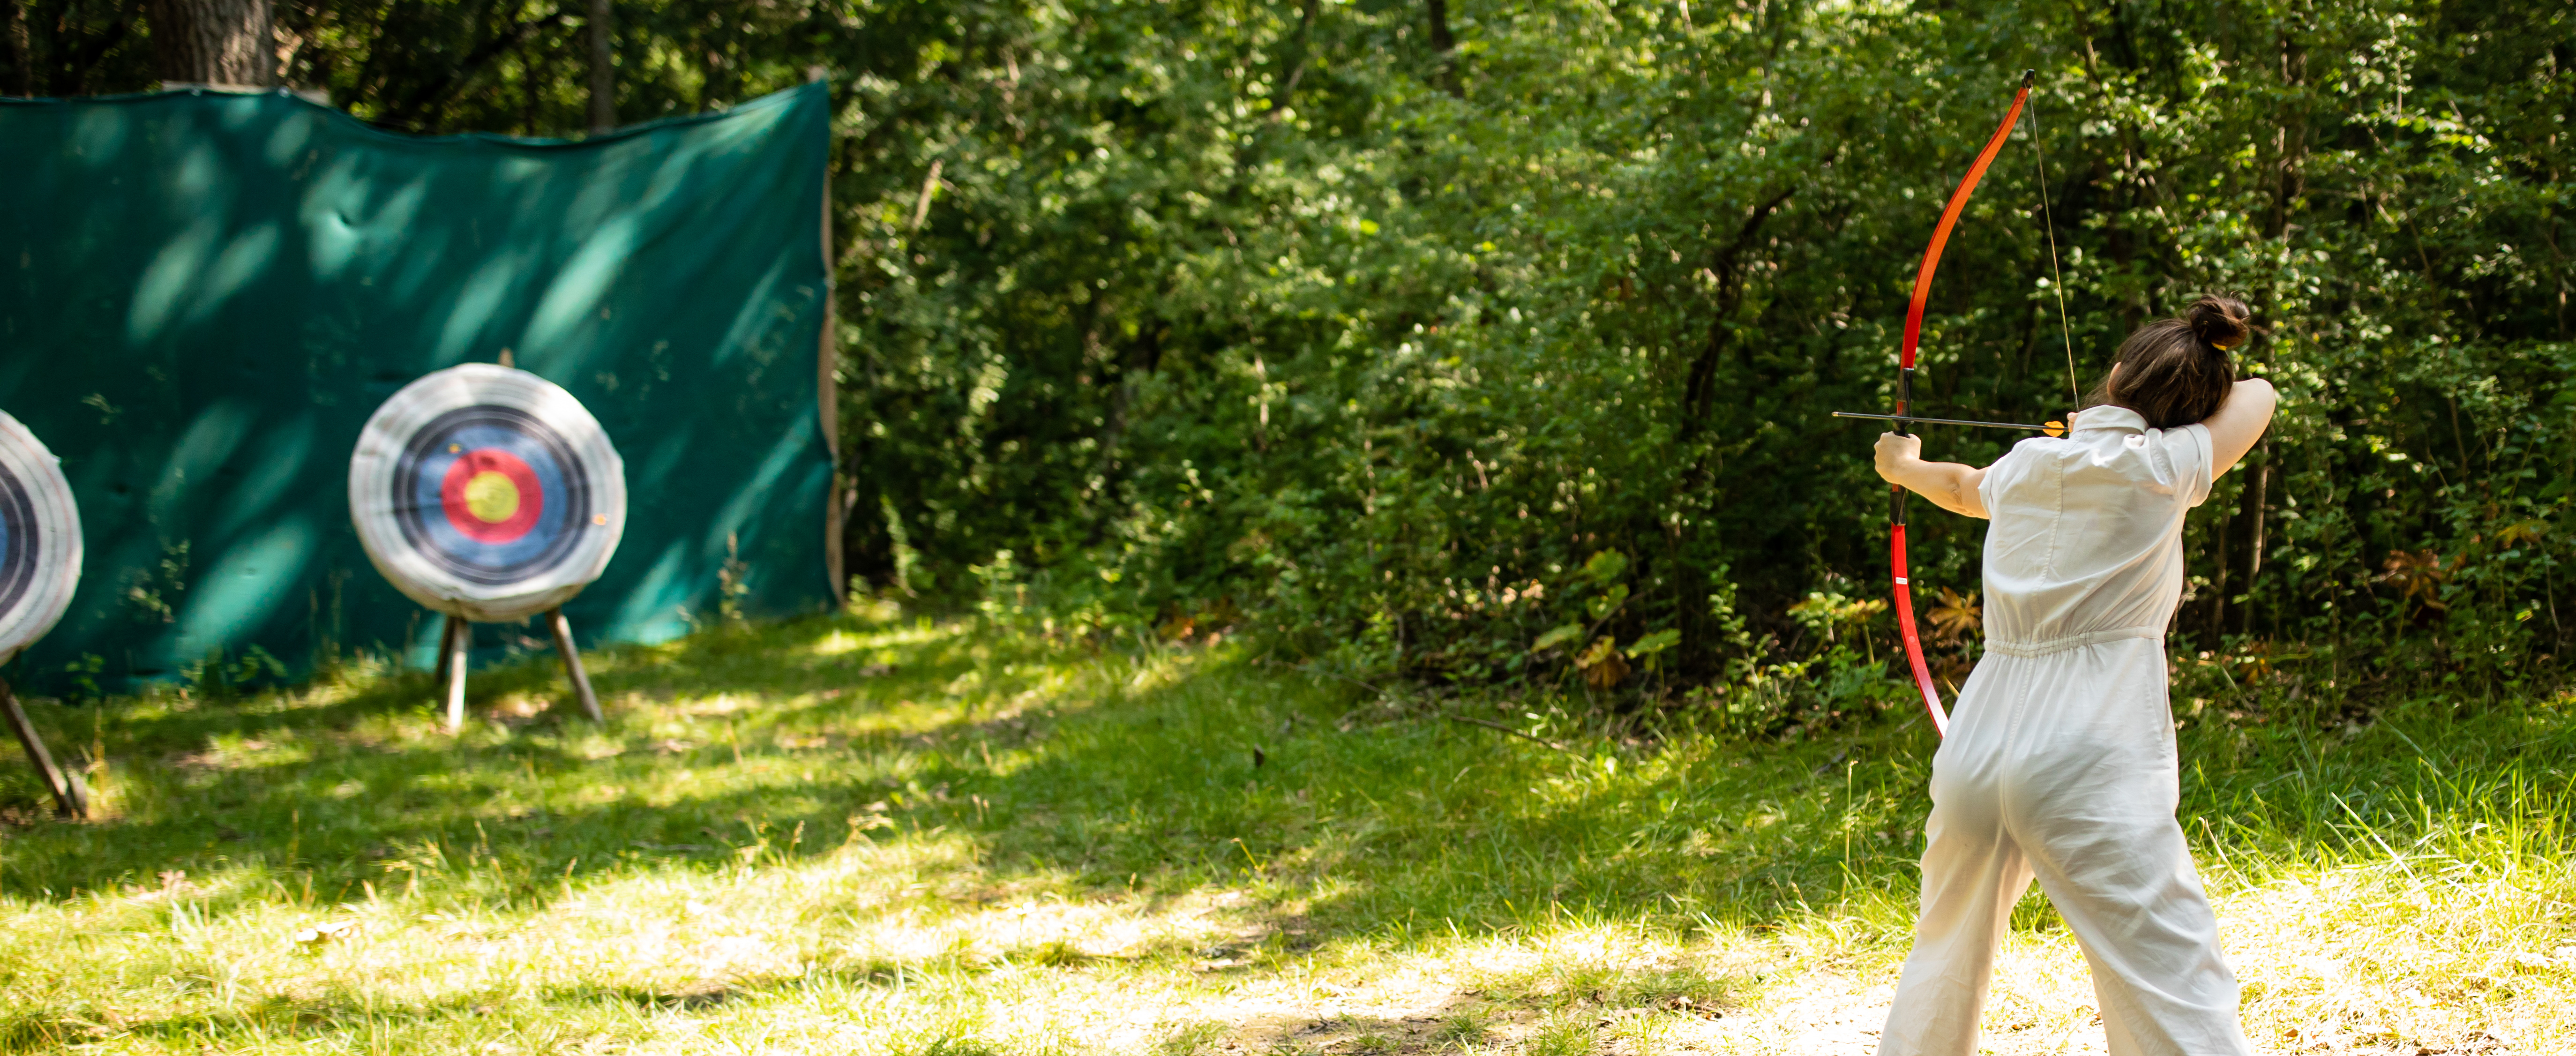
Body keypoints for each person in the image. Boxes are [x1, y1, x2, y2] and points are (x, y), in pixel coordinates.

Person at [1867, 295, 2279, 1056]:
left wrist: (1902, 466)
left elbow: (1957, 487)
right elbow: (2261, 393)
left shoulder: (2027, 463)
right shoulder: (2168, 464)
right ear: (2191, 414)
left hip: (1977, 752)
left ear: (2116, 375)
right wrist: (2192, 403)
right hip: (2092, 755)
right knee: (2171, 980)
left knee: (1943, 957)